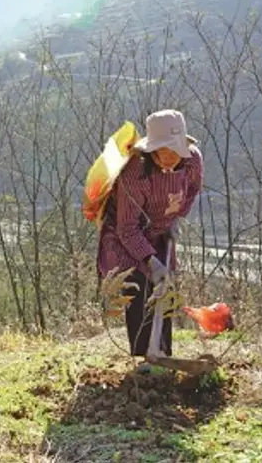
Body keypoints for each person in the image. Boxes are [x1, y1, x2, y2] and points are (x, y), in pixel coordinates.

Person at [96, 109, 203, 370]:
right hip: (126, 233)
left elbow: (191, 192)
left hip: (162, 229)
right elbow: (127, 228)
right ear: (151, 151)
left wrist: (176, 217)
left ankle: (162, 352)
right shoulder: (135, 172)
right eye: (161, 152)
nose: (167, 158)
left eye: (173, 151)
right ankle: (145, 356)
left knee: (165, 287)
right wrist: (150, 261)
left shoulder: (192, 161)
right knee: (139, 283)